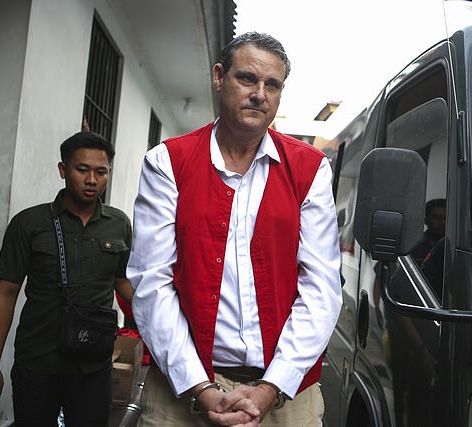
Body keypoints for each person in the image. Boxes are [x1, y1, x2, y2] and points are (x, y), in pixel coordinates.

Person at [127, 32, 343, 426]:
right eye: (247, 79)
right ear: (218, 77)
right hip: (184, 388)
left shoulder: (310, 169)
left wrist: (270, 387)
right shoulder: (167, 163)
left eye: (272, 85)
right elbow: (150, 282)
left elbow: (322, 288)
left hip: (286, 396)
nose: (260, 94)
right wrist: (200, 388)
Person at [0, 131, 133, 426]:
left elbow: (122, 281)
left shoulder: (119, 224)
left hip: (93, 364)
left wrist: (162, 307)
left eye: (101, 172)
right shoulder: (29, 223)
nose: (91, 180)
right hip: (38, 362)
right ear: (63, 170)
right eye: (82, 169)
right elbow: (6, 292)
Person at [409, 198, 446, 266]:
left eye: (446, 218)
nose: (442, 222)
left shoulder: (455, 250)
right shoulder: (413, 245)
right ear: (425, 219)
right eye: (436, 217)